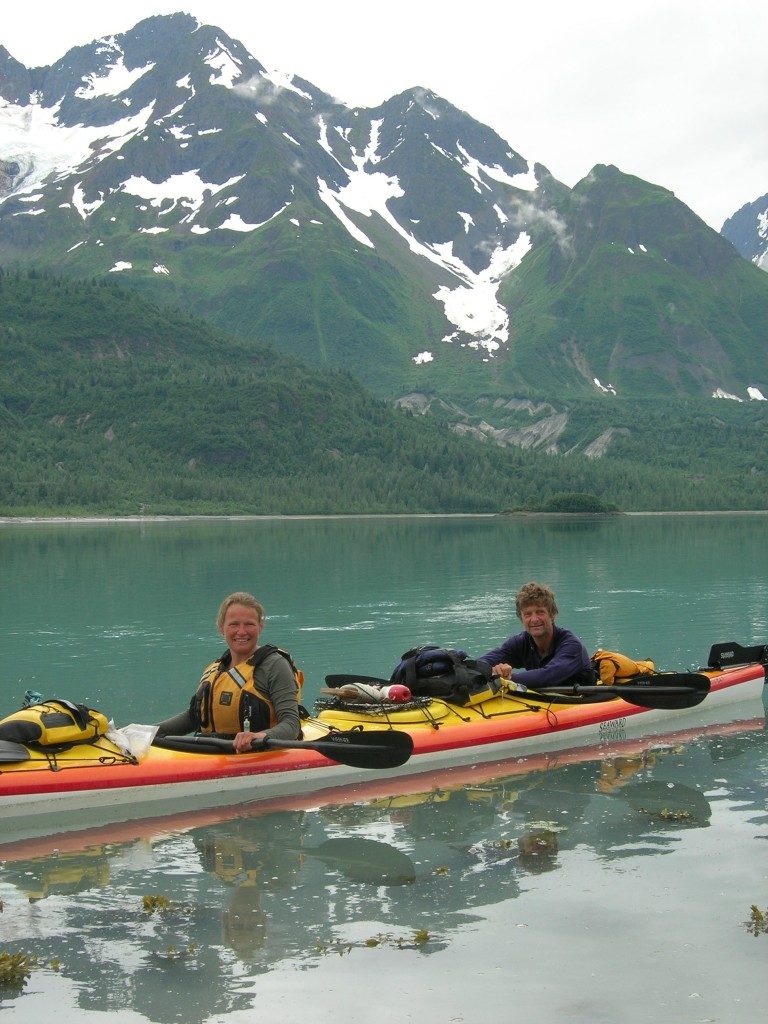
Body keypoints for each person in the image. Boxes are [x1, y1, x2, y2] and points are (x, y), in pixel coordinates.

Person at [157, 592, 301, 753]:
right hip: (213, 752)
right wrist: (146, 732)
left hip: (258, 752)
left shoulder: (275, 666)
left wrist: (259, 736)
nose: (241, 632)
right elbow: (193, 718)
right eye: (234, 624)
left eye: (249, 624)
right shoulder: (214, 669)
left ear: (260, 627)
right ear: (221, 628)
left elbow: (292, 724)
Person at [478, 581, 594, 689]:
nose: (534, 619)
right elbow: (483, 663)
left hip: (584, 702)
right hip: (548, 702)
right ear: (521, 618)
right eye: (528, 614)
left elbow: (548, 676)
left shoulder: (571, 645)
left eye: (540, 612)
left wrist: (504, 679)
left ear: (552, 614)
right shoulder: (520, 642)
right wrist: (492, 671)